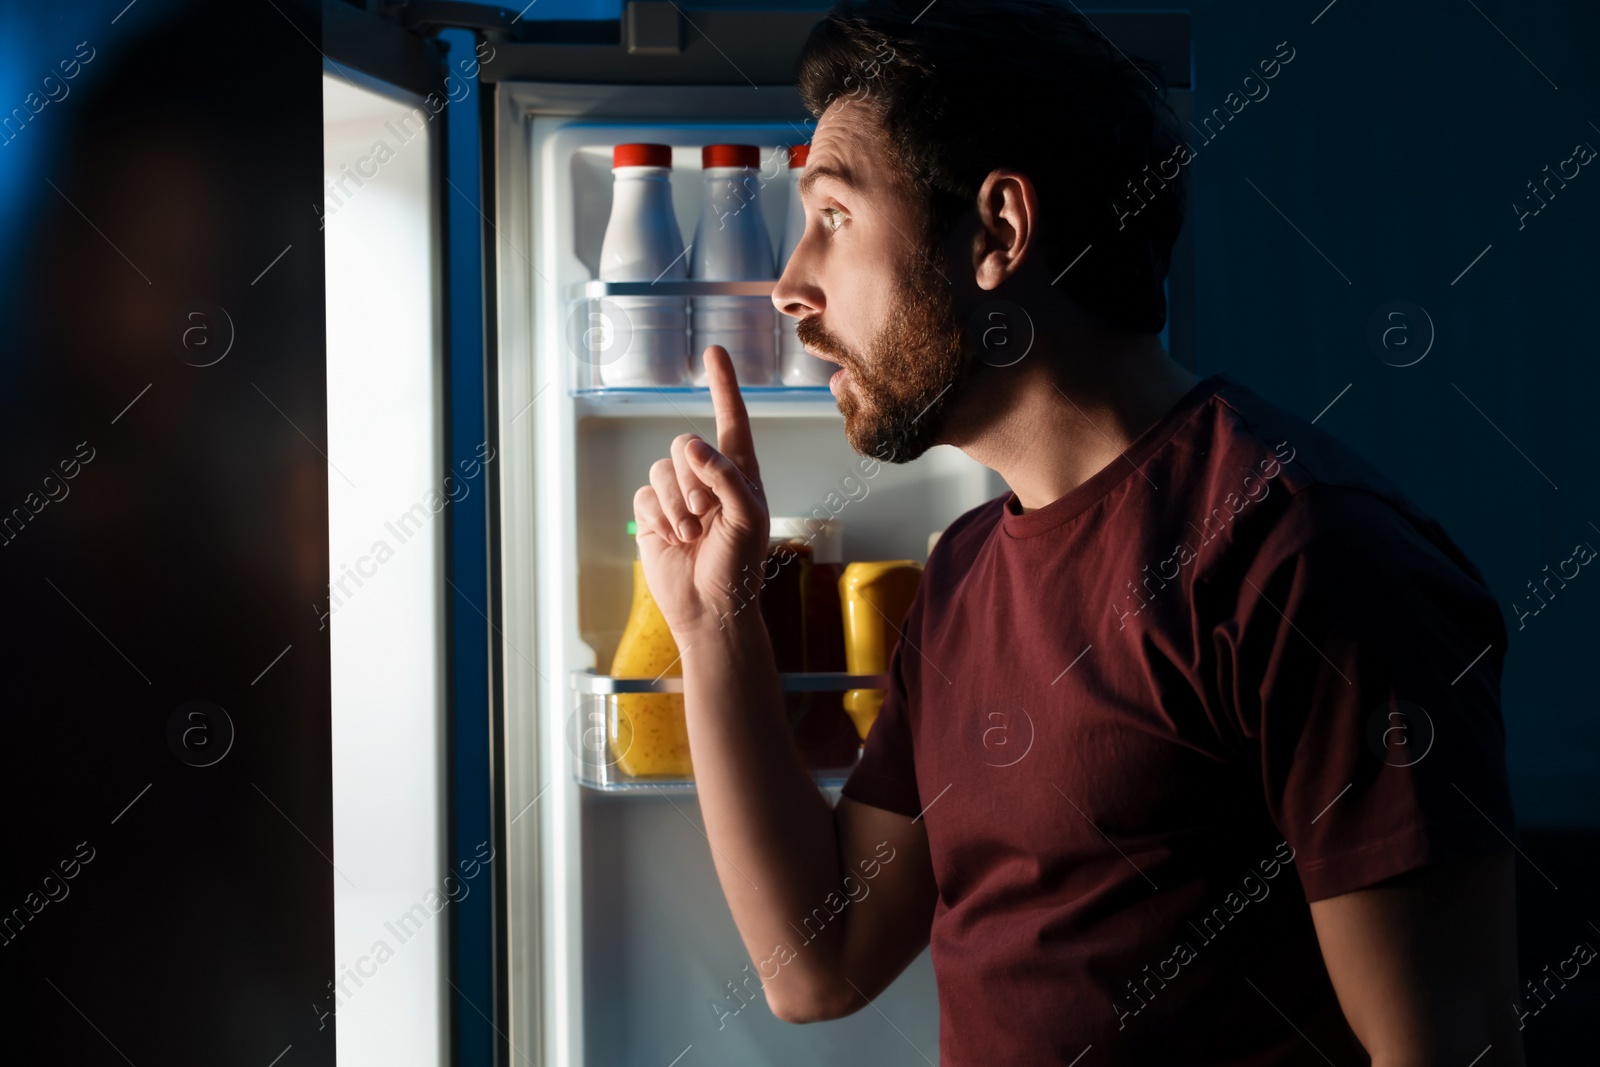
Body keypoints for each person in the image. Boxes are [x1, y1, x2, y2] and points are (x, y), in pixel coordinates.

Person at [629, 2, 1524, 1063]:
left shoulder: (1302, 555)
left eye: (833, 216)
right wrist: (714, 624)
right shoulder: (963, 573)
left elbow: (1443, 1045)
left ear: (998, 231)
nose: (787, 287)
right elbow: (818, 964)